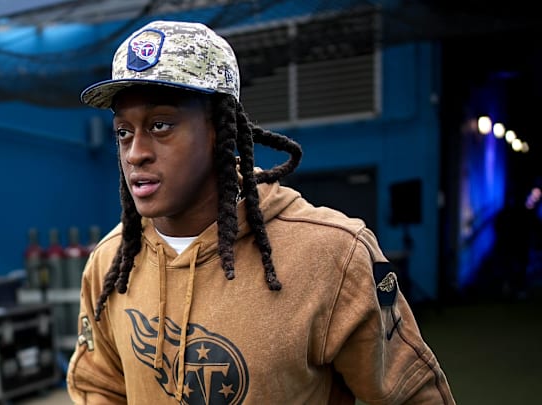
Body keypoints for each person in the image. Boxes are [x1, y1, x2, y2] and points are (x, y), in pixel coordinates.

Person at [67, 19, 455, 404]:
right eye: (123, 132)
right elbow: (98, 387)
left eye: (161, 124)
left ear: (220, 129)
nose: (136, 153)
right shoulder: (111, 262)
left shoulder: (331, 254)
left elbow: (414, 395)